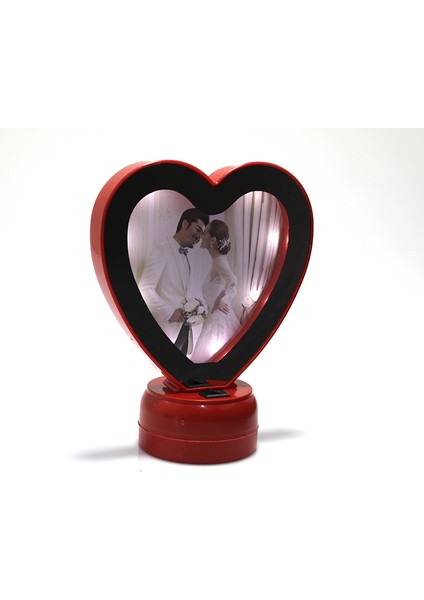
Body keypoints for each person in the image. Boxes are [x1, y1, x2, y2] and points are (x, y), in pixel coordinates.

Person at [138, 208, 209, 350]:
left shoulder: (188, 257)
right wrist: (169, 312)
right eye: (198, 229)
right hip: (165, 330)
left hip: (185, 331)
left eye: (202, 233)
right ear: (185, 224)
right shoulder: (161, 249)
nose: (199, 236)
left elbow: (186, 292)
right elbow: (145, 289)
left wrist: (200, 310)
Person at [191, 219, 240, 363]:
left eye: (204, 233)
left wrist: (219, 300)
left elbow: (233, 281)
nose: (201, 236)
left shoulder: (219, 261)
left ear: (212, 240)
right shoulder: (218, 260)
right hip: (215, 315)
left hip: (218, 319)